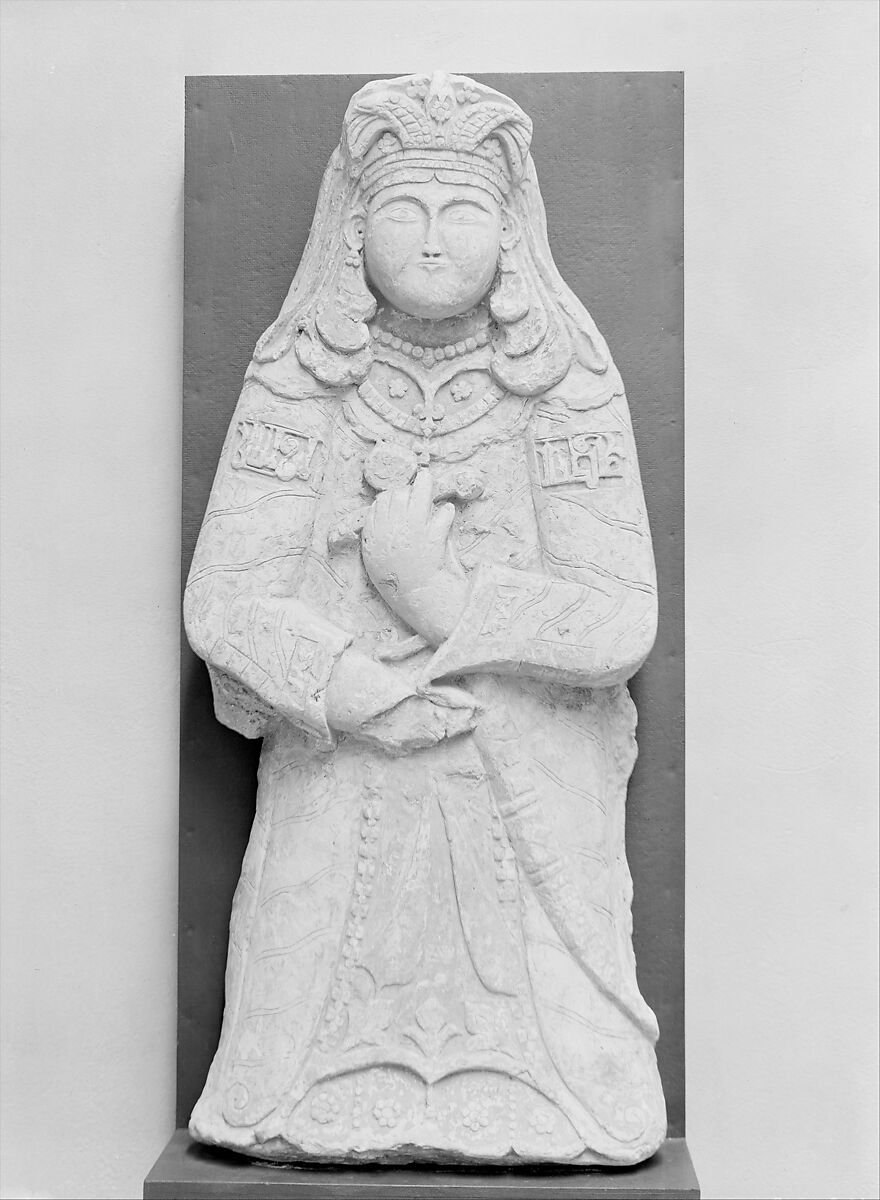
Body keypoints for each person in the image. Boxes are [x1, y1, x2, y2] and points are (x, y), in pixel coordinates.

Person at [185, 71, 666, 1164]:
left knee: (554, 1027)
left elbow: (620, 618)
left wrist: (434, 595)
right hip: (345, 751)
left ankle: (552, 1097)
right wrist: (353, 690)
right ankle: (299, 1095)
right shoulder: (301, 376)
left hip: (516, 766)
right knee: (313, 941)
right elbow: (225, 596)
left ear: (510, 227)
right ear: (353, 233)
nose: (434, 241)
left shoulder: (564, 382)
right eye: (405, 211)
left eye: (463, 212)